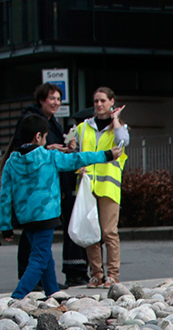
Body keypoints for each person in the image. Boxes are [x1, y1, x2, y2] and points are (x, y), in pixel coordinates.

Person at [1, 115, 122, 300]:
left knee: (44, 255)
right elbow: (78, 159)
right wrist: (106, 155)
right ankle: (17, 297)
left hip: (25, 217)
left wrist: (6, 225)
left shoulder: (11, 162)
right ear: (38, 136)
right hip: (46, 214)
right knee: (39, 258)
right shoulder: (49, 157)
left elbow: (4, 195)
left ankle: (52, 292)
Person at [4, 83, 88, 288]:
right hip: (38, 199)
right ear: (41, 100)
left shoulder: (53, 123)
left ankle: (51, 290)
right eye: (52, 98)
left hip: (42, 197)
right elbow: (23, 148)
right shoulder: (32, 121)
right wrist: (46, 150)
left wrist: (66, 149)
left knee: (42, 252)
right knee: (39, 254)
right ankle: (21, 292)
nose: (56, 103)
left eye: (59, 99)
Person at [79, 86, 129, 287]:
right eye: (96, 101)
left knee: (109, 232)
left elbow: (122, 141)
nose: (99, 105)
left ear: (111, 102)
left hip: (108, 187)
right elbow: (77, 153)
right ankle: (96, 274)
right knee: (91, 232)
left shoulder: (119, 128)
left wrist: (115, 119)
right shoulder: (84, 127)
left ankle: (113, 274)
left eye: (103, 101)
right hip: (87, 185)